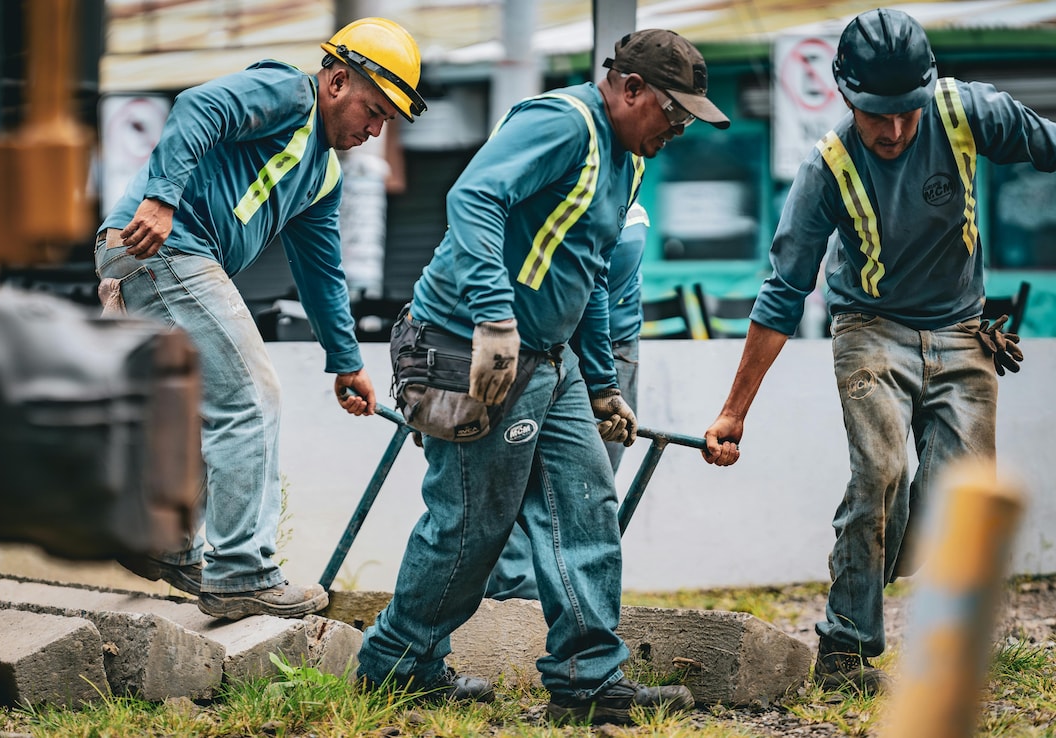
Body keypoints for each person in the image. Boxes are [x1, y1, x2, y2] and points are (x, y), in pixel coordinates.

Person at [356, 29, 729, 725]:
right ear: (630, 88)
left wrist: (601, 384)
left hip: (547, 362)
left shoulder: (629, 157)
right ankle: (396, 665)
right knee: (472, 523)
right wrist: (495, 322)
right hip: (469, 346)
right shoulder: (563, 123)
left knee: (587, 507)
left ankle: (590, 683)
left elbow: (583, 272)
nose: (677, 127)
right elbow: (473, 199)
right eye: (672, 111)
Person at [700, 7, 1050, 694]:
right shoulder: (826, 168)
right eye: (874, 115)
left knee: (962, 499)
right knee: (881, 473)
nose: (892, 131)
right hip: (869, 329)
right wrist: (734, 411)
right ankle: (845, 652)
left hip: (962, 329)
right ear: (845, 95)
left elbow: (1047, 144)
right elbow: (781, 295)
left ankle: (944, 643)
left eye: (905, 113)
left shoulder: (966, 113)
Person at [95, 17, 428, 620]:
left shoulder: (323, 174)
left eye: (387, 122)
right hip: (160, 248)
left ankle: (164, 542)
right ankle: (242, 572)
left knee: (214, 401)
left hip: (164, 258)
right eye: (375, 110)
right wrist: (162, 197)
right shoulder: (289, 93)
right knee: (250, 398)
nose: (376, 130)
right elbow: (198, 106)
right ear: (337, 81)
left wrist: (347, 362)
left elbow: (322, 272)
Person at [486, 202, 650, 601]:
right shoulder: (517, 199)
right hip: (529, 340)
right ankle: (515, 600)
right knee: (509, 475)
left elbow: (591, 298)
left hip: (598, 345)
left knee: (586, 489)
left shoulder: (626, 220)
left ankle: (572, 608)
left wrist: (602, 385)